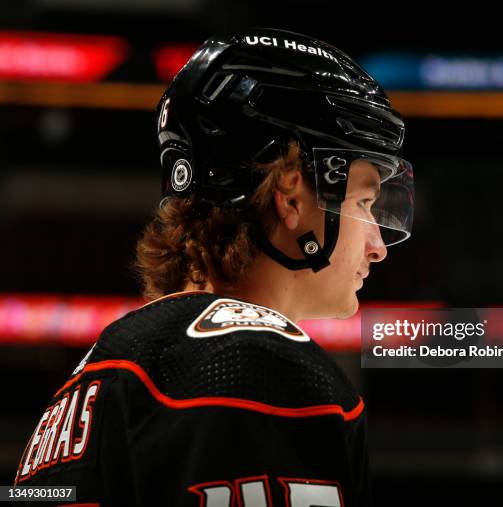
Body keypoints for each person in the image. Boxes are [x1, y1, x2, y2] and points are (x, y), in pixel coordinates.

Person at [13, 28, 414, 506]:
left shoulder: (90, 376)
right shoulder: (256, 361)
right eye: (364, 202)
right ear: (290, 195)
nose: (377, 245)